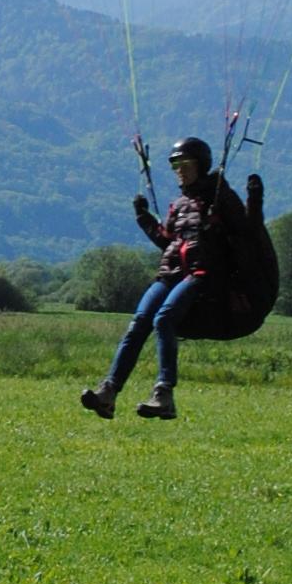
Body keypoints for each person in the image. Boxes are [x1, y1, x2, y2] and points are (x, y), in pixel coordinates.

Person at [80, 136, 247, 421]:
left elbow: (242, 234)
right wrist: (143, 217)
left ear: (201, 165)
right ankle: (108, 393)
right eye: (175, 165)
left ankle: (164, 393)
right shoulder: (179, 204)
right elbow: (166, 240)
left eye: (185, 164)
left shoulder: (220, 197)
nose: (180, 170)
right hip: (171, 273)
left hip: (202, 274)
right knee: (139, 323)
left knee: (163, 319)